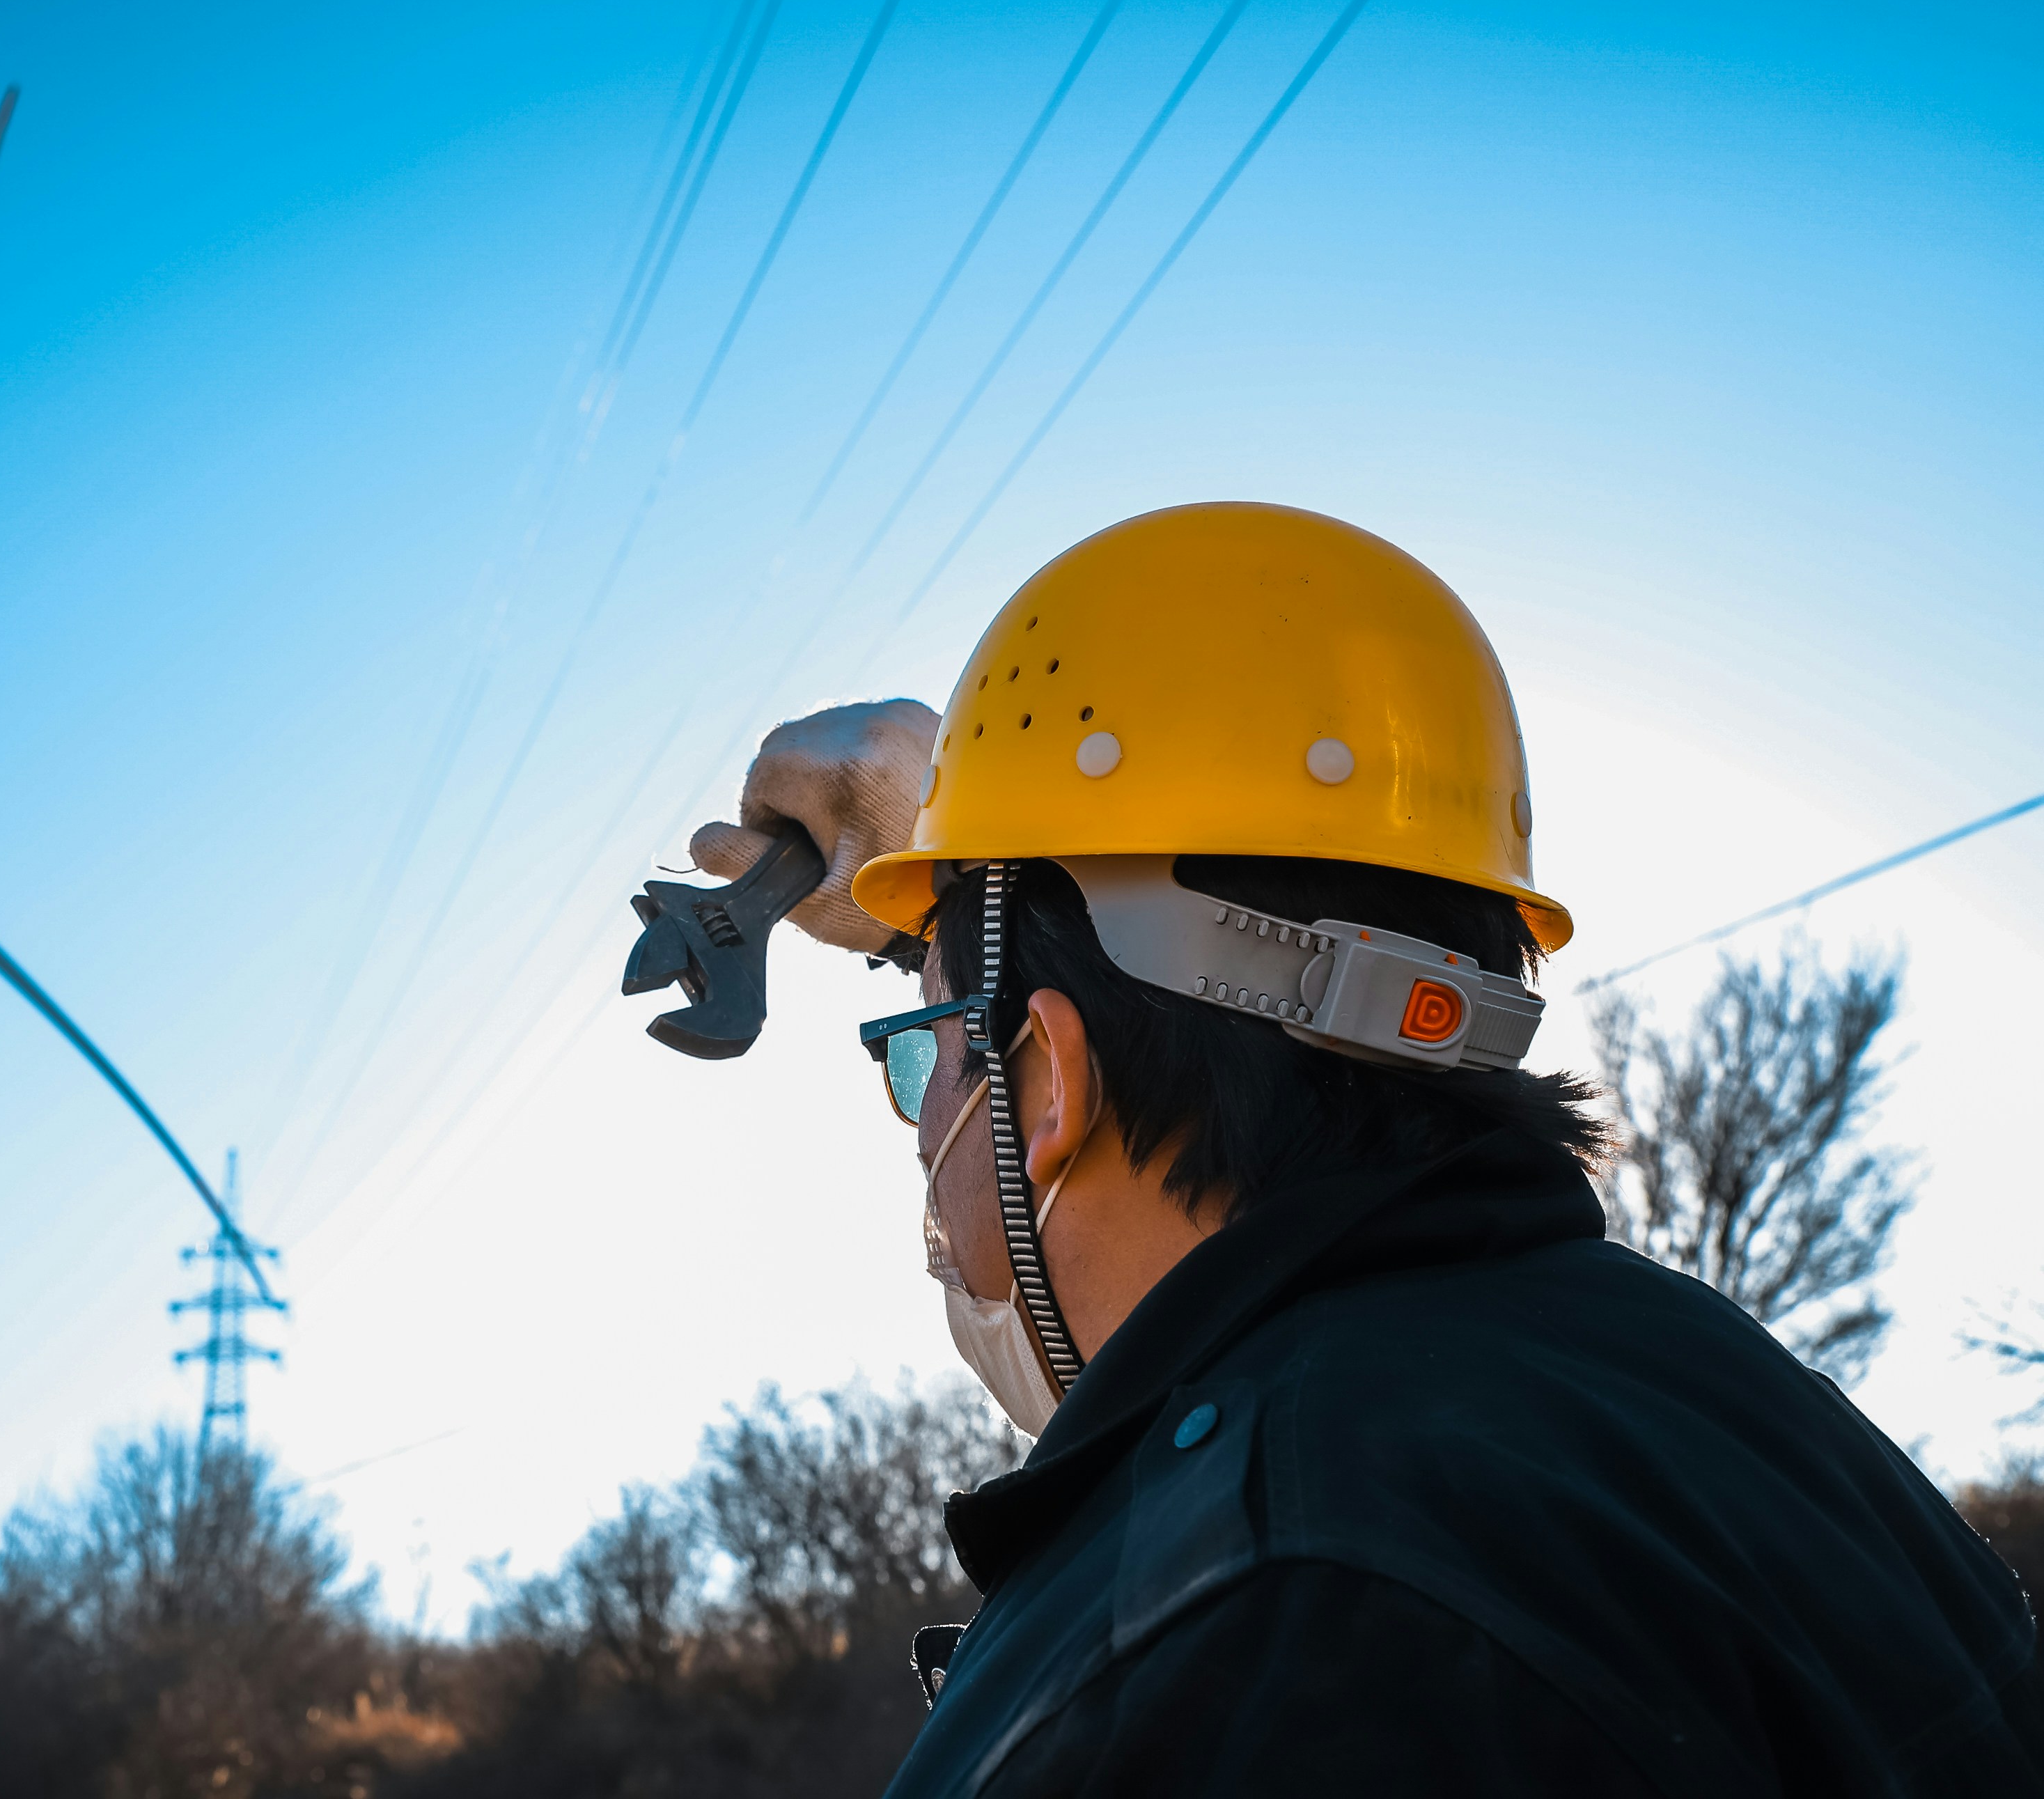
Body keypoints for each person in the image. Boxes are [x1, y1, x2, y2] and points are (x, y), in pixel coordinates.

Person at [687, 502, 2040, 1794]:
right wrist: (980, 879)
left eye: (924, 1046)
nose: (922, 1118)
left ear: (1048, 1079)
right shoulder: (1739, 1419)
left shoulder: (1244, 1639)